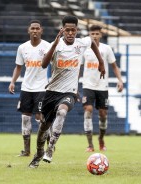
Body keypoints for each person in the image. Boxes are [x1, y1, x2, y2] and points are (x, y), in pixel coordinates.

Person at [28, 15, 106, 168]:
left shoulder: (81, 43)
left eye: (73, 30)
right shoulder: (55, 45)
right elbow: (44, 65)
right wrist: (54, 44)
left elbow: (92, 43)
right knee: (44, 127)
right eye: (67, 30)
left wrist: (101, 62)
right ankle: (38, 154)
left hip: (69, 93)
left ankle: (50, 148)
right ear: (62, 30)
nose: (70, 33)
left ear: (77, 30)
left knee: (62, 112)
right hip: (51, 92)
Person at [8, 20, 51, 157]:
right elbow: (18, 67)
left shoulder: (47, 46)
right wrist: (13, 82)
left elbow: (54, 65)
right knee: (25, 118)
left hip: (41, 88)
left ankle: (45, 146)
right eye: (32, 28)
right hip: (26, 87)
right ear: (28, 30)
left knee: (40, 117)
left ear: (41, 30)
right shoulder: (22, 48)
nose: (35, 31)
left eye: (37, 28)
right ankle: (26, 150)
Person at [82, 25, 123, 152]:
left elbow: (114, 66)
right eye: (92, 33)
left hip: (102, 86)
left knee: (103, 114)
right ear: (89, 34)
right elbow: (78, 67)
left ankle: (101, 138)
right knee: (88, 109)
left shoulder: (106, 49)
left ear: (101, 35)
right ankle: (90, 144)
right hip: (88, 85)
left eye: (96, 33)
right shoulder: (85, 49)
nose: (94, 36)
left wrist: (120, 80)